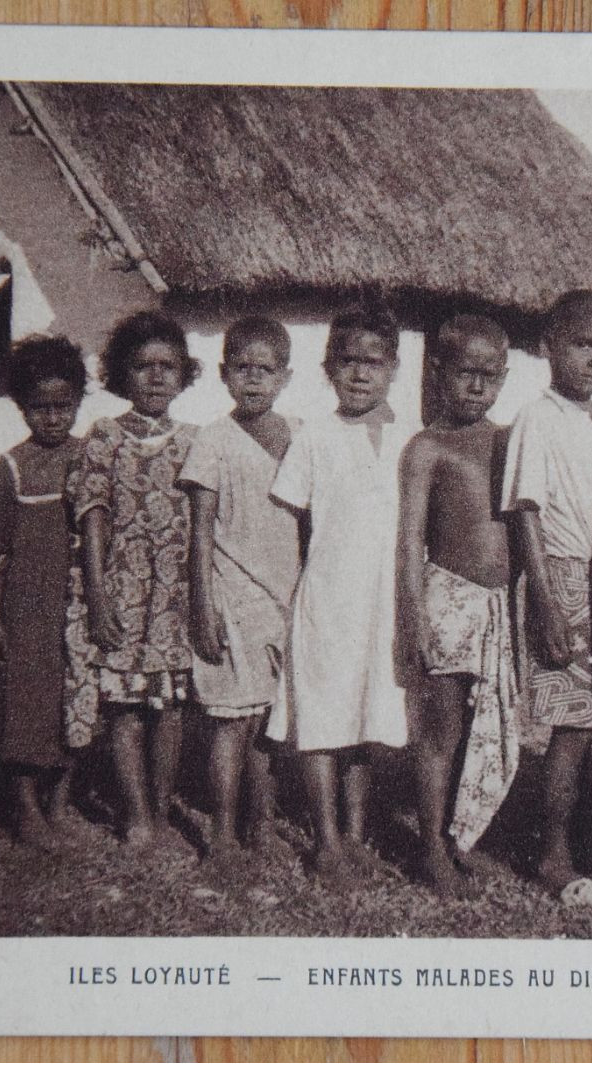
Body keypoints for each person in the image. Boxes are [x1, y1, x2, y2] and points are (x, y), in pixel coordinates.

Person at [501, 289, 592, 899]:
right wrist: (546, 604)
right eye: (584, 345)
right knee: (571, 725)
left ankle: (588, 833)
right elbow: (525, 512)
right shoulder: (538, 417)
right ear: (548, 347)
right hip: (562, 576)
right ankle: (553, 852)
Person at [268, 306, 414, 881]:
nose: (359, 374)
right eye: (346, 362)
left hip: (387, 605)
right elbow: (294, 530)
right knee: (324, 717)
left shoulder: (411, 438)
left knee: (368, 717)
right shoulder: (313, 438)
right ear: (328, 368)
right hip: (329, 600)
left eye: (372, 362)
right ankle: (325, 840)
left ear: (393, 369)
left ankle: (355, 833)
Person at [65, 311, 200, 846]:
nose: (156, 377)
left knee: (167, 711)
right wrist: (97, 594)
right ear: (122, 373)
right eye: (143, 366)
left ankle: (162, 810)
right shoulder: (104, 437)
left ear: (184, 374)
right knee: (124, 709)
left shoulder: (194, 440)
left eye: (168, 366)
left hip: (174, 600)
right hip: (121, 592)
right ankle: (136, 812)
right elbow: (92, 513)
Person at [396, 313, 518, 896]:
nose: (476, 386)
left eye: (489, 375)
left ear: (504, 376)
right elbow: (410, 536)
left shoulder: (508, 441)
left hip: (499, 607)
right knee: (441, 731)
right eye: (465, 373)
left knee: (480, 729)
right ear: (439, 373)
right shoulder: (427, 447)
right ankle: (429, 851)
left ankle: (455, 833)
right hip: (448, 596)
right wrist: (415, 615)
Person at [180, 316, 299, 863]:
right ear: (225, 374)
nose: (253, 380)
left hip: (286, 600)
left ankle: (262, 821)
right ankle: (223, 830)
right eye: (242, 369)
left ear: (286, 377)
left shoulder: (299, 435)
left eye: (266, 370)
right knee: (232, 720)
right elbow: (200, 532)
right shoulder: (214, 440)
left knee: (269, 724)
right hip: (232, 595)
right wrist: (202, 607)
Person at [0, 336, 86, 848]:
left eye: (63, 406)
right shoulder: (9, 467)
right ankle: (25, 807)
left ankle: (61, 800)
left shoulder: (91, 454)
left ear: (79, 401)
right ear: (21, 407)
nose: (53, 418)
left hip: (76, 604)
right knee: (23, 706)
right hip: (25, 608)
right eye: (40, 408)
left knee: (74, 703)